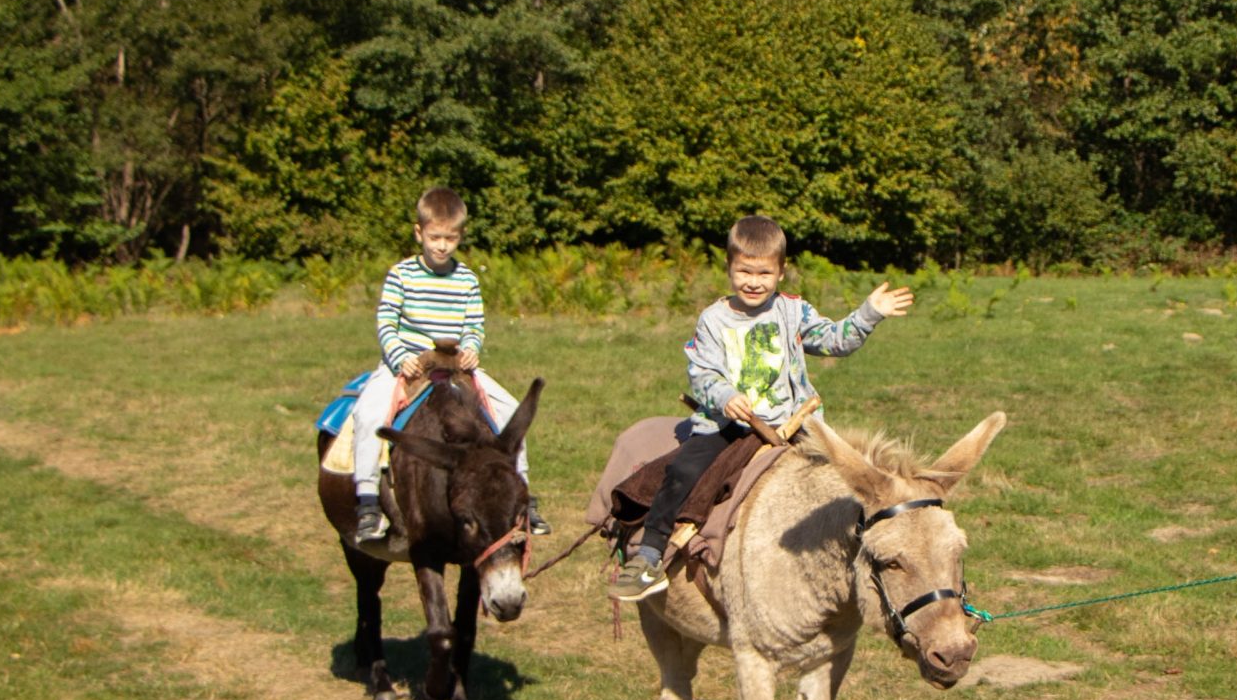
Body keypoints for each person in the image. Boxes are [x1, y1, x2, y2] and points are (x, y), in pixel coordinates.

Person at [605, 216, 913, 602]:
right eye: (744, 271)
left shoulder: (793, 313)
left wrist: (869, 312)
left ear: (781, 272)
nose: (753, 281)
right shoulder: (714, 320)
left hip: (793, 422)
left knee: (848, 476)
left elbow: (836, 341)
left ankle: (869, 554)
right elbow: (701, 372)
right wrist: (724, 395)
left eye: (764, 272)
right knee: (682, 470)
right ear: (729, 269)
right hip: (728, 424)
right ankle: (649, 556)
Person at [350, 187, 547, 544]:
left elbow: (473, 325)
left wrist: (472, 347)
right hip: (408, 364)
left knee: (510, 413)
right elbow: (386, 322)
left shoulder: (467, 279)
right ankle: (367, 502)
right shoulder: (401, 275)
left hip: (455, 367)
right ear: (419, 233)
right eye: (435, 237)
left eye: (450, 238)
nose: (442, 246)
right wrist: (400, 357)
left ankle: (524, 496)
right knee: (367, 413)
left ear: (459, 237)